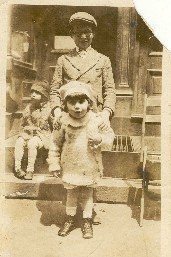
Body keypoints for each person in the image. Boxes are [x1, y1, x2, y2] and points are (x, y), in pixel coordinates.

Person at [48, 81, 115, 239]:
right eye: (72, 102)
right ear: (65, 105)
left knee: (87, 193)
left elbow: (109, 137)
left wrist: (99, 138)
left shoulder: (96, 120)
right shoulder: (63, 121)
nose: (77, 106)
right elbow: (55, 143)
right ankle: (70, 218)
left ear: (89, 103)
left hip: (89, 164)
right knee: (71, 193)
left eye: (81, 102)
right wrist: (54, 163)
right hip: (70, 164)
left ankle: (86, 220)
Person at [50, 12, 116, 131]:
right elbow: (55, 90)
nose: (83, 37)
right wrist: (57, 112)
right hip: (68, 116)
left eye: (87, 32)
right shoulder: (63, 60)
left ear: (93, 34)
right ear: (72, 35)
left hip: (95, 116)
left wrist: (106, 114)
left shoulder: (103, 60)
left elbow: (109, 91)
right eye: (78, 33)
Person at [14, 80, 52, 180]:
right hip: (29, 132)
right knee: (19, 141)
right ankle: (17, 168)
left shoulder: (50, 108)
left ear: (44, 95)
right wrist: (26, 130)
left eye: (37, 93)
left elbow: (54, 127)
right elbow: (24, 123)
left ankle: (30, 170)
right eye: (32, 92)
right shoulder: (29, 107)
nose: (33, 95)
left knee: (32, 143)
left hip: (43, 134)